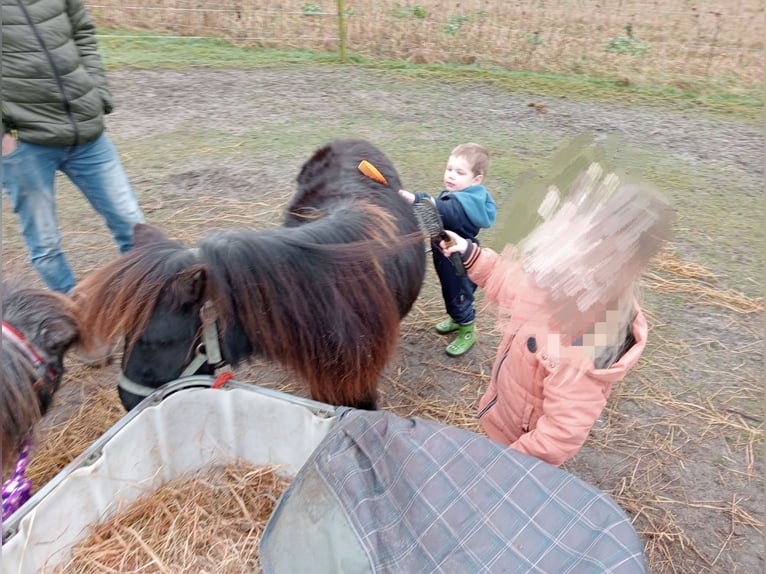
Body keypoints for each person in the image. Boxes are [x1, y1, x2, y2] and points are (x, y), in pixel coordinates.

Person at [438, 162, 674, 466]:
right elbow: (512, 283)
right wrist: (471, 254)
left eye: (598, 243)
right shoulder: (560, 280)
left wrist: (507, 467)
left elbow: (559, 435)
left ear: (626, 264)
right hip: (504, 417)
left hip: (524, 456)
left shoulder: (593, 342)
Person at [1, 0, 145, 294]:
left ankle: (146, 305)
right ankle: (76, 313)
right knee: (45, 243)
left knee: (134, 226)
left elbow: (83, 33)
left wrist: (98, 93)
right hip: (26, 144)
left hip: (87, 134)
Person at [399, 142, 497, 356]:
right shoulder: (466, 195)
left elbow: (445, 210)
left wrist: (415, 199)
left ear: (476, 179)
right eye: (449, 169)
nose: (451, 175)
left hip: (458, 261)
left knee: (459, 294)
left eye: (459, 172)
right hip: (447, 254)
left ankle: (467, 329)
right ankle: (456, 317)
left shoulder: (462, 204)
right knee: (451, 292)